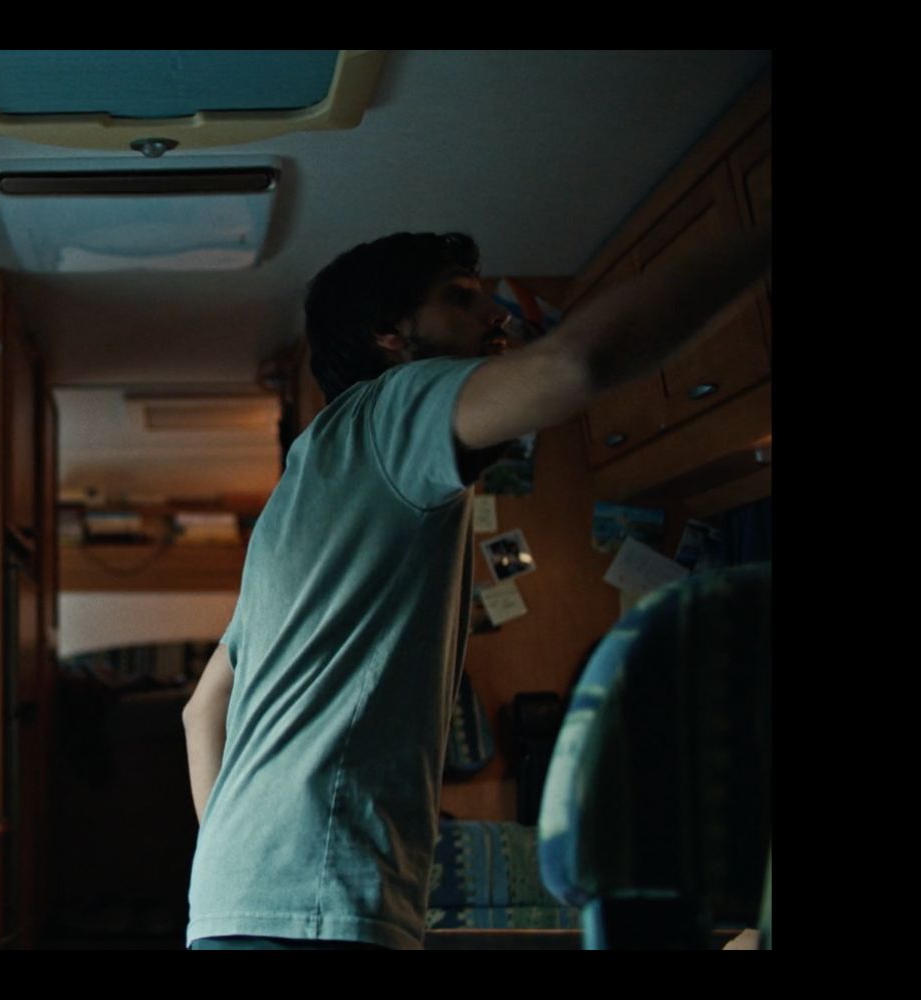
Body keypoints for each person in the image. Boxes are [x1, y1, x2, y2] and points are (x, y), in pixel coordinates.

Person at [183, 225, 772, 950]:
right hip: (313, 904)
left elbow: (201, 706)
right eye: (462, 298)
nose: (495, 313)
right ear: (391, 335)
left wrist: (247, 863)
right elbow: (577, 363)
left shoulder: (306, 489)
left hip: (243, 899)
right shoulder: (392, 408)